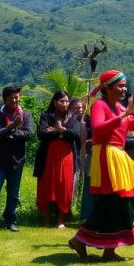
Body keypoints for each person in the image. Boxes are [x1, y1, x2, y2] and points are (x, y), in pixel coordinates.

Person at [68, 70, 134, 261]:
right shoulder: (100, 105)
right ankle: (82, 240)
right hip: (106, 155)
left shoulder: (121, 108)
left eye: (125, 85)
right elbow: (97, 129)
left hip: (119, 157)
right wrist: (125, 115)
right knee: (112, 201)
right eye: (121, 86)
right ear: (108, 88)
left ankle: (108, 249)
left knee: (119, 203)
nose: (124, 89)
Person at [0, 85, 34, 231]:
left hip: (17, 161)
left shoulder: (25, 115)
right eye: (12, 98)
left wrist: (10, 132)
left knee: (13, 193)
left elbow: (28, 134)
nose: (15, 100)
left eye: (17, 97)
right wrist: (12, 126)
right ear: (5, 99)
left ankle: (11, 220)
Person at [34, 91, 82, 228]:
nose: (65, 104)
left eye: (67, 101)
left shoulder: (73, 118)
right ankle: (47, 220)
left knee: (64, 186)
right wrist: (61, 131)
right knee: (46, 186)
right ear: (55, 102)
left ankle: (61, 221)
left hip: (67, 157)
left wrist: (57, 130)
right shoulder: (46, 116)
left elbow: (76, 135)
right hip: (47, 157)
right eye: (62, 101)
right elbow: (42, 134)